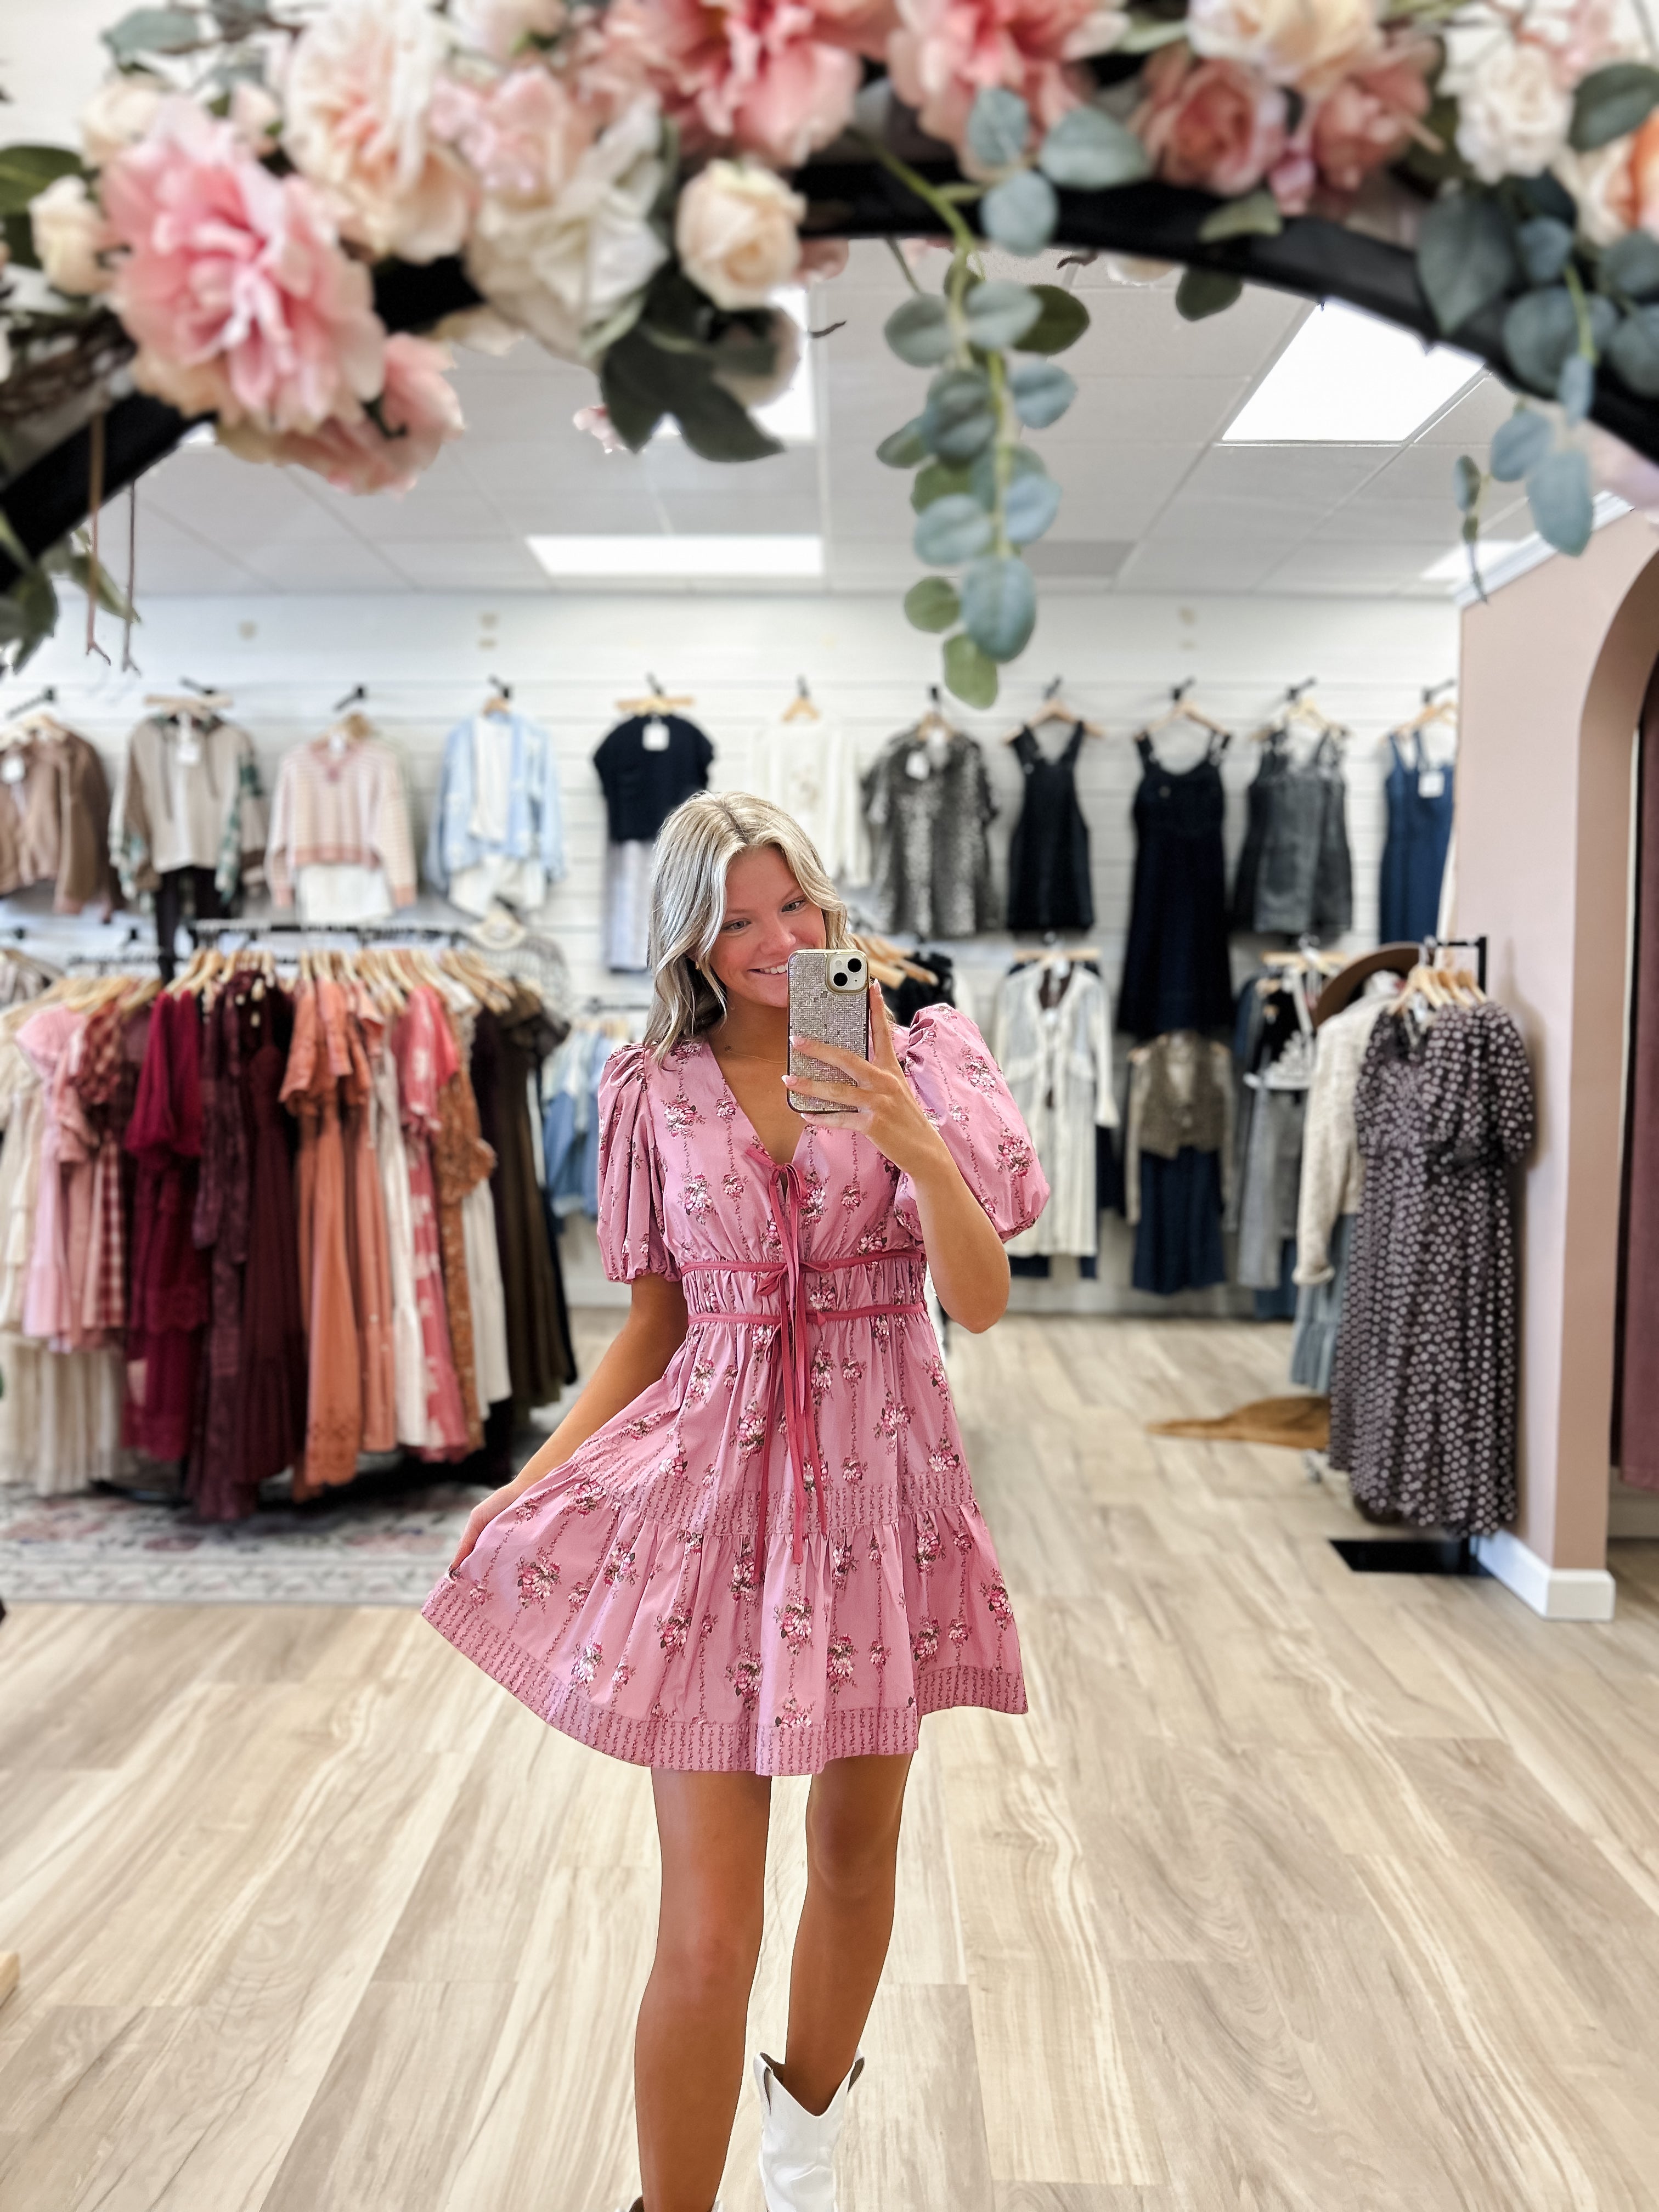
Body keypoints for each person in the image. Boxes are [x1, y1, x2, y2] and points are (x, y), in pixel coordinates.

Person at [425, 792, 1047, 2211]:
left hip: (883, 1493)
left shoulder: (924, 1048)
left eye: (794, 906)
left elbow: (982, 1302)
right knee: (707, 1929)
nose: (777, 940)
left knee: (855, 1855)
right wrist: (530, 1481)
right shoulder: (652, 1086)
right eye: (738, 919)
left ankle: (803, 2153)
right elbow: (653, 1326)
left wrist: (910, 1131)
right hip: (713, 1509)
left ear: (826, 904)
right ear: (690, 940)